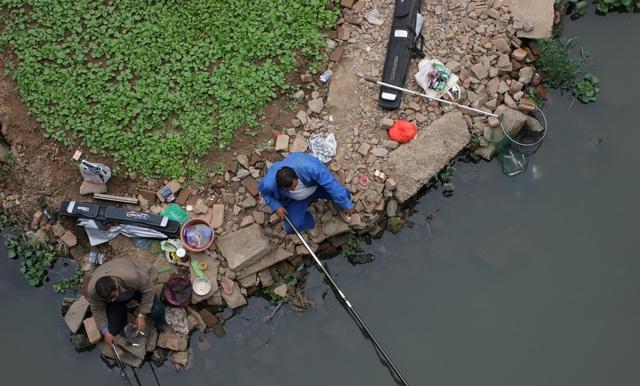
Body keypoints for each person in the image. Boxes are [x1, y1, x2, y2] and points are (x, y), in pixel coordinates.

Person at [259, 152, 354, 234]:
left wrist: (346, 205)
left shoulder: (311, 168)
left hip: (315, 189)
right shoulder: (269, 184)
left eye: (295, 186)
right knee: (292, 227)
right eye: (289, 189)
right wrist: (276, 206)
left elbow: (331, 185)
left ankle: (341, 207)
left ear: (296, 176)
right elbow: (265, 194)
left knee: (345, 195)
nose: (293, 190)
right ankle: (311, 217)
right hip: (295, 200)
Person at [87, 258, 165, 346]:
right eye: (108, 299)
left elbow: (148, 290)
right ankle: (124, 318)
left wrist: (142, 314)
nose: (112, 300)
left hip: (136, 289)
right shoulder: (93, 291)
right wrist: (106, 333)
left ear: (116, 285)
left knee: (157, 311)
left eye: (113, 296)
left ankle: (160, 323)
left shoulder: (132, 277)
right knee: (112, 330)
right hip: (120, 295)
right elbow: (97, 309)